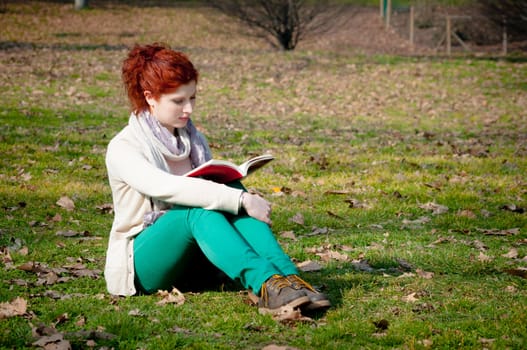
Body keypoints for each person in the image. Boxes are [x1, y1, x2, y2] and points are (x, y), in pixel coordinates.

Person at [104, 42, 330, 315]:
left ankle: (289, 279)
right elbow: (165, 188)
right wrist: (241, 199)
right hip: (143, 264)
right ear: (150, 97)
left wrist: (235, 193)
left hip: (196, 259)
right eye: (178, 101)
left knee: (227, 188)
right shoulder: (124, 146)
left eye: (192, 98)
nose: (188, 110)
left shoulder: (192, 139)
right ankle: (265, 283)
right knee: (201, 210)